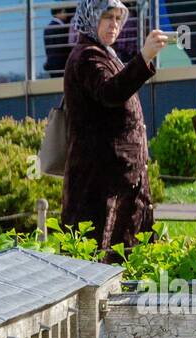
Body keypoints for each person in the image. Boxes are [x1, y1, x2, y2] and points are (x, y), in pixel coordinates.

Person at [61, 0, 170, 257]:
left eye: (119, 18)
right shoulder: (87, 55)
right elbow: (110, 92)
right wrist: (144, 57)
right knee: (101, 256)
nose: (114, 25)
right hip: (101, 184)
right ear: (91, 18)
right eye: (107, 17)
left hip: (116, 180)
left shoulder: (104, 52)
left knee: (123, 254)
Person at [44, 6, 76, 77]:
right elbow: (64, 49)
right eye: (64, 12)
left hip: (52, 66)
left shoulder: (47, 28)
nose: (66, 14)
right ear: (58, 13)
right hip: (61, 66)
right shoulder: (61, 28)